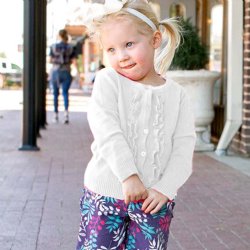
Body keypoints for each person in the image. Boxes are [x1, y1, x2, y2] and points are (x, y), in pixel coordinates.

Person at [76, 0, 196, 249]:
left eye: (129, 44)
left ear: (155, 39)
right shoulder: (108, 80)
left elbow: (183, 148)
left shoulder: (177, 95)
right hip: (105, 194)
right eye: (111, 49)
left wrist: (165, 188)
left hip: (154, 201)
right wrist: (128, 175)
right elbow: (106, 129)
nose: (121, 56)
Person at [49, 29, 76, 124]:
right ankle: (66, 115)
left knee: (55, 94)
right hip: (66, 71)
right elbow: (73, 61)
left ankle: (55, 115)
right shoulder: (71, 47)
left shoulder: (53, 47)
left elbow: (49, 60)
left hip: (55, 71)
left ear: (59, 36)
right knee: (65, 93)